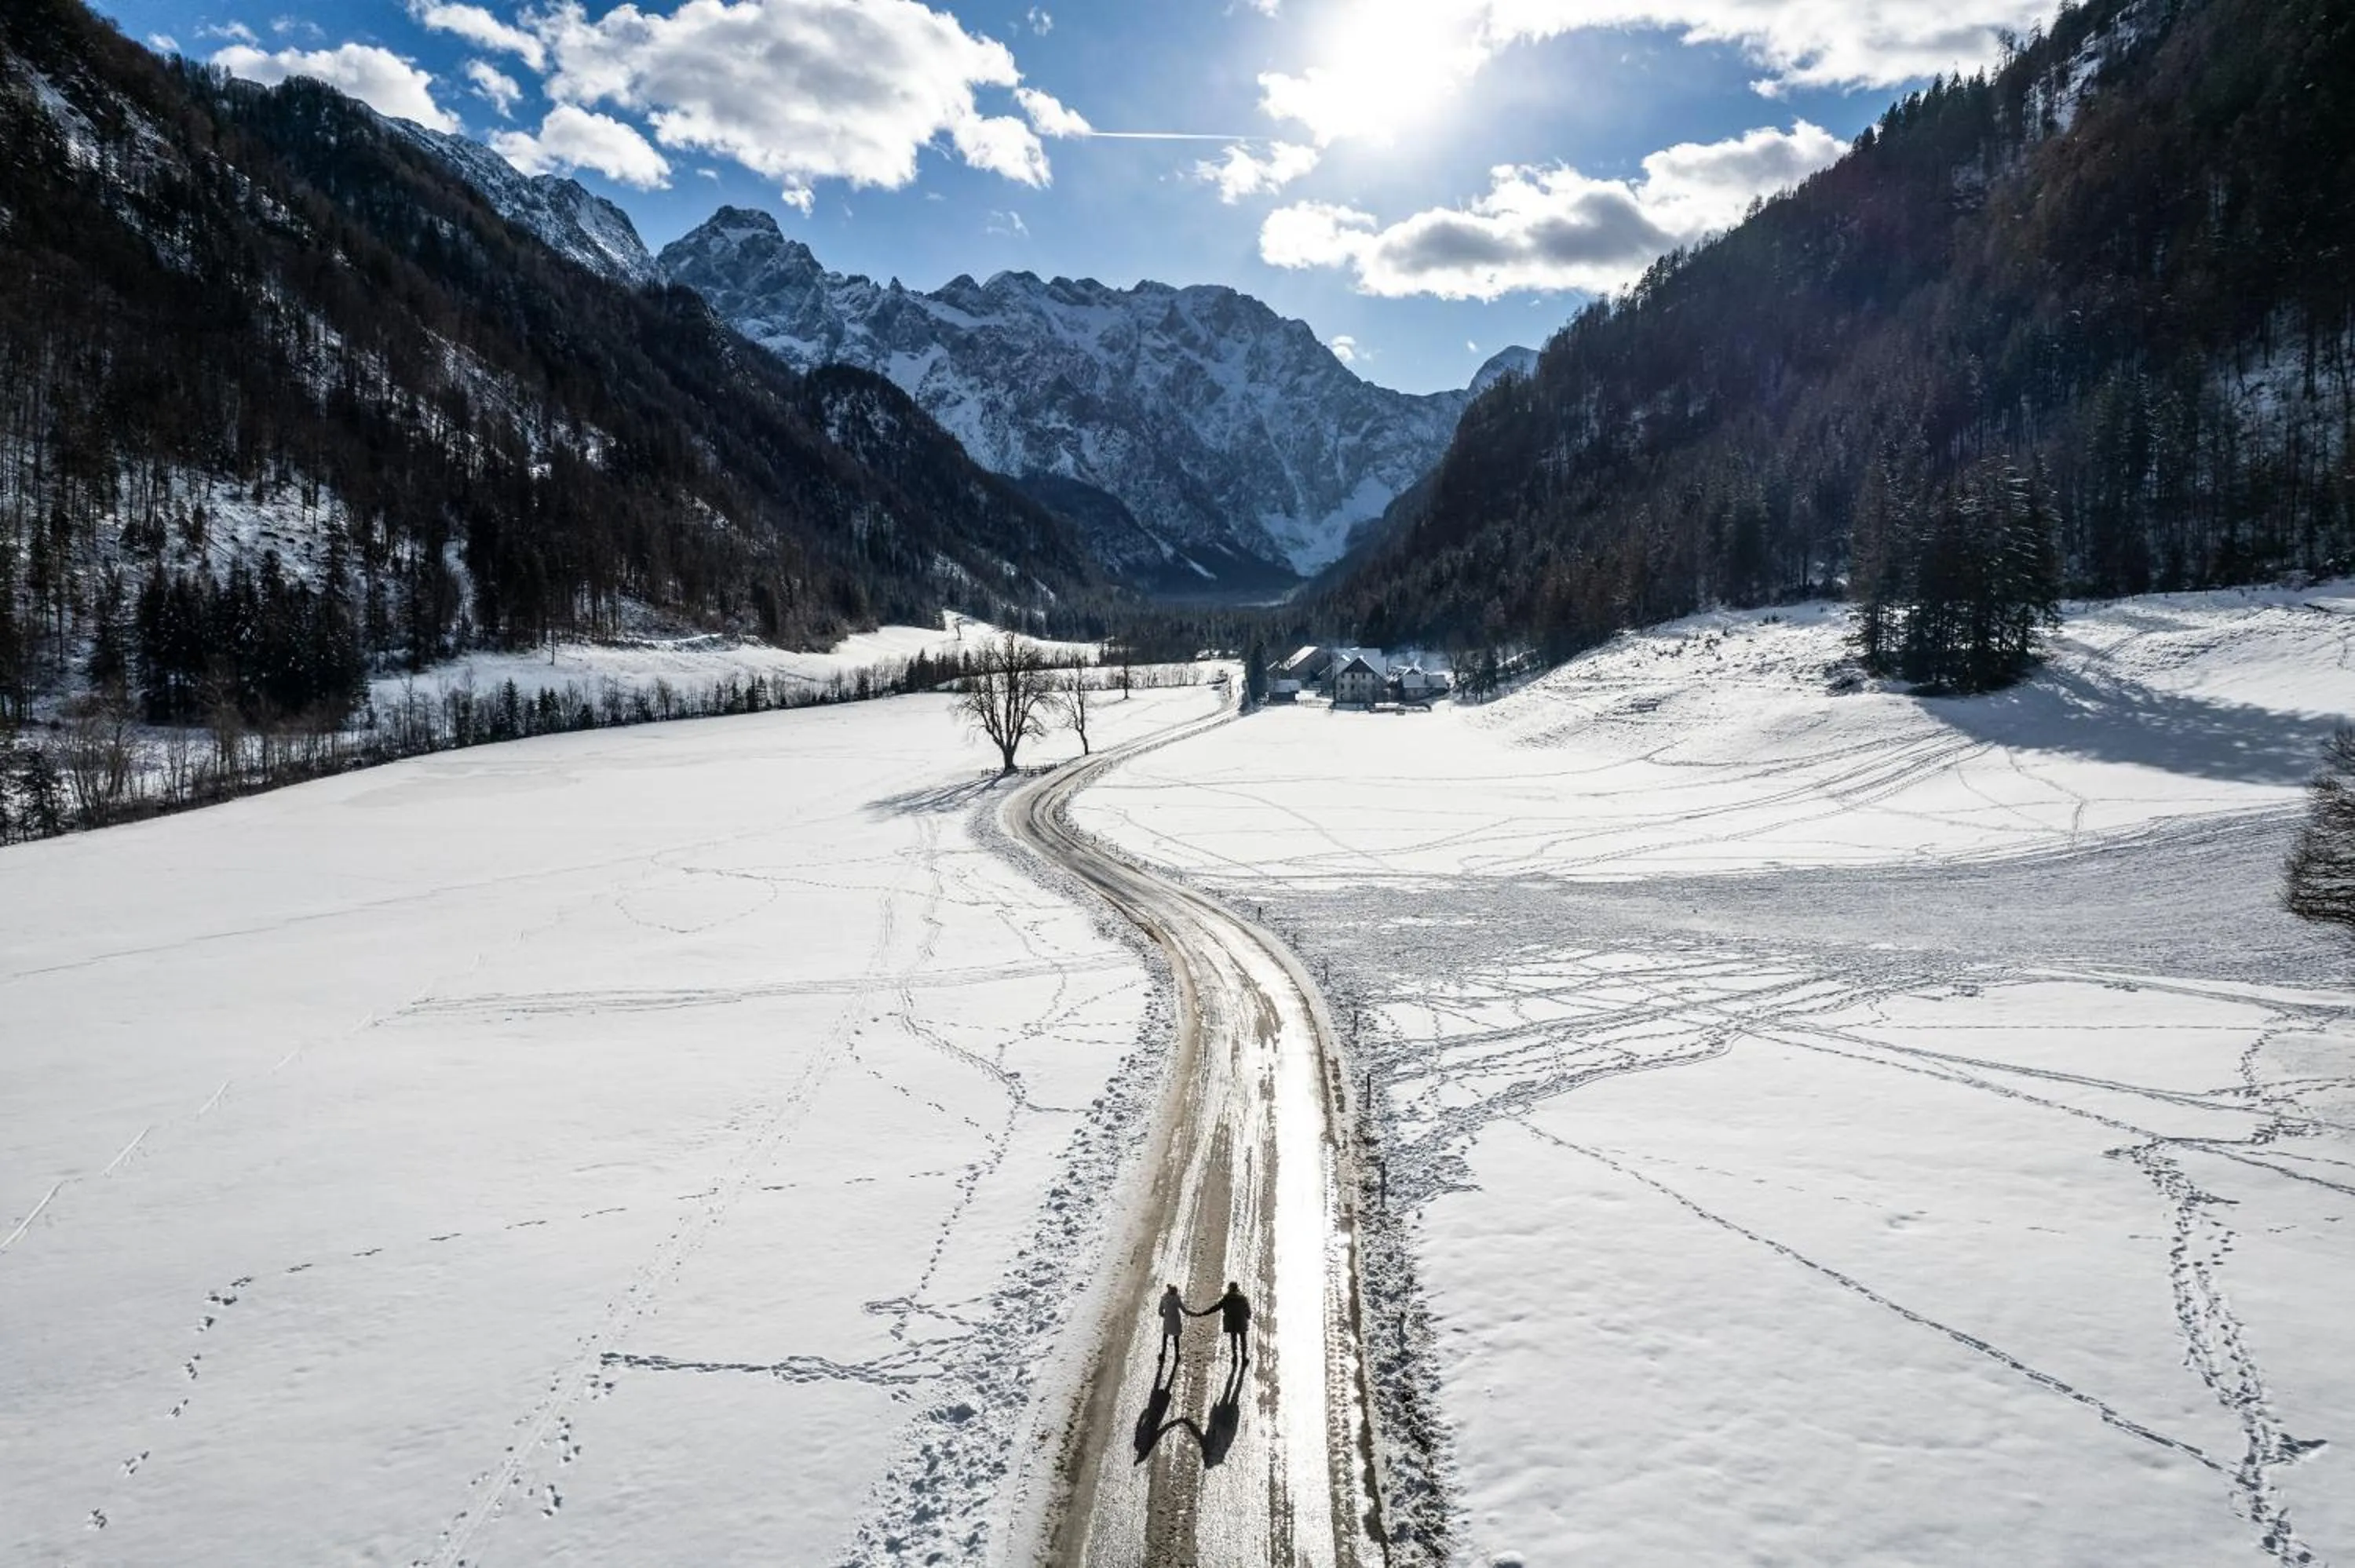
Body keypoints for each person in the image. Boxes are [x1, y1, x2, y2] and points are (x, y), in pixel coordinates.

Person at [1192, 1281, 1251, 1365]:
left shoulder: (1227, 1298)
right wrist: (1248, 1316)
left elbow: (1216, 1307)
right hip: (1242, 1321)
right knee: (1243, 1340)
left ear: (1230, 1288)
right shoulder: (1243, 1298)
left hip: (1231, 1322)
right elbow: (1247, 1310)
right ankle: (1244, 1358)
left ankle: (1235, 1357)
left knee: (1233, 1339)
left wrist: (1204, 1313)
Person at [1157, 1283, 1186, 1361]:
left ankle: (1163, 1354)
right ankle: (1177, 1356)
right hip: (1176, 1322)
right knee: (1176, 1339)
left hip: (1167, 1322)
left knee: (1165, 1337)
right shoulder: (1177, 1299)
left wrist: (1166, 1316)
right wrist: (1194, 1314)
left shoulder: (1164, 1299)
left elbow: (1160, 1312)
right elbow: (1184, 1310)